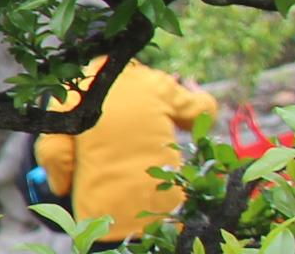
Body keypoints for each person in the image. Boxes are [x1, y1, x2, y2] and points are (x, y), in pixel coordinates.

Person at [34, 55, 219, 243]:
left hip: (102, 223)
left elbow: (53, 153)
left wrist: (61, 188)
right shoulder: (153, 81)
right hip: (165, 218)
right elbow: (200, 116)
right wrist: (201, 95)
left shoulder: (71, 91)